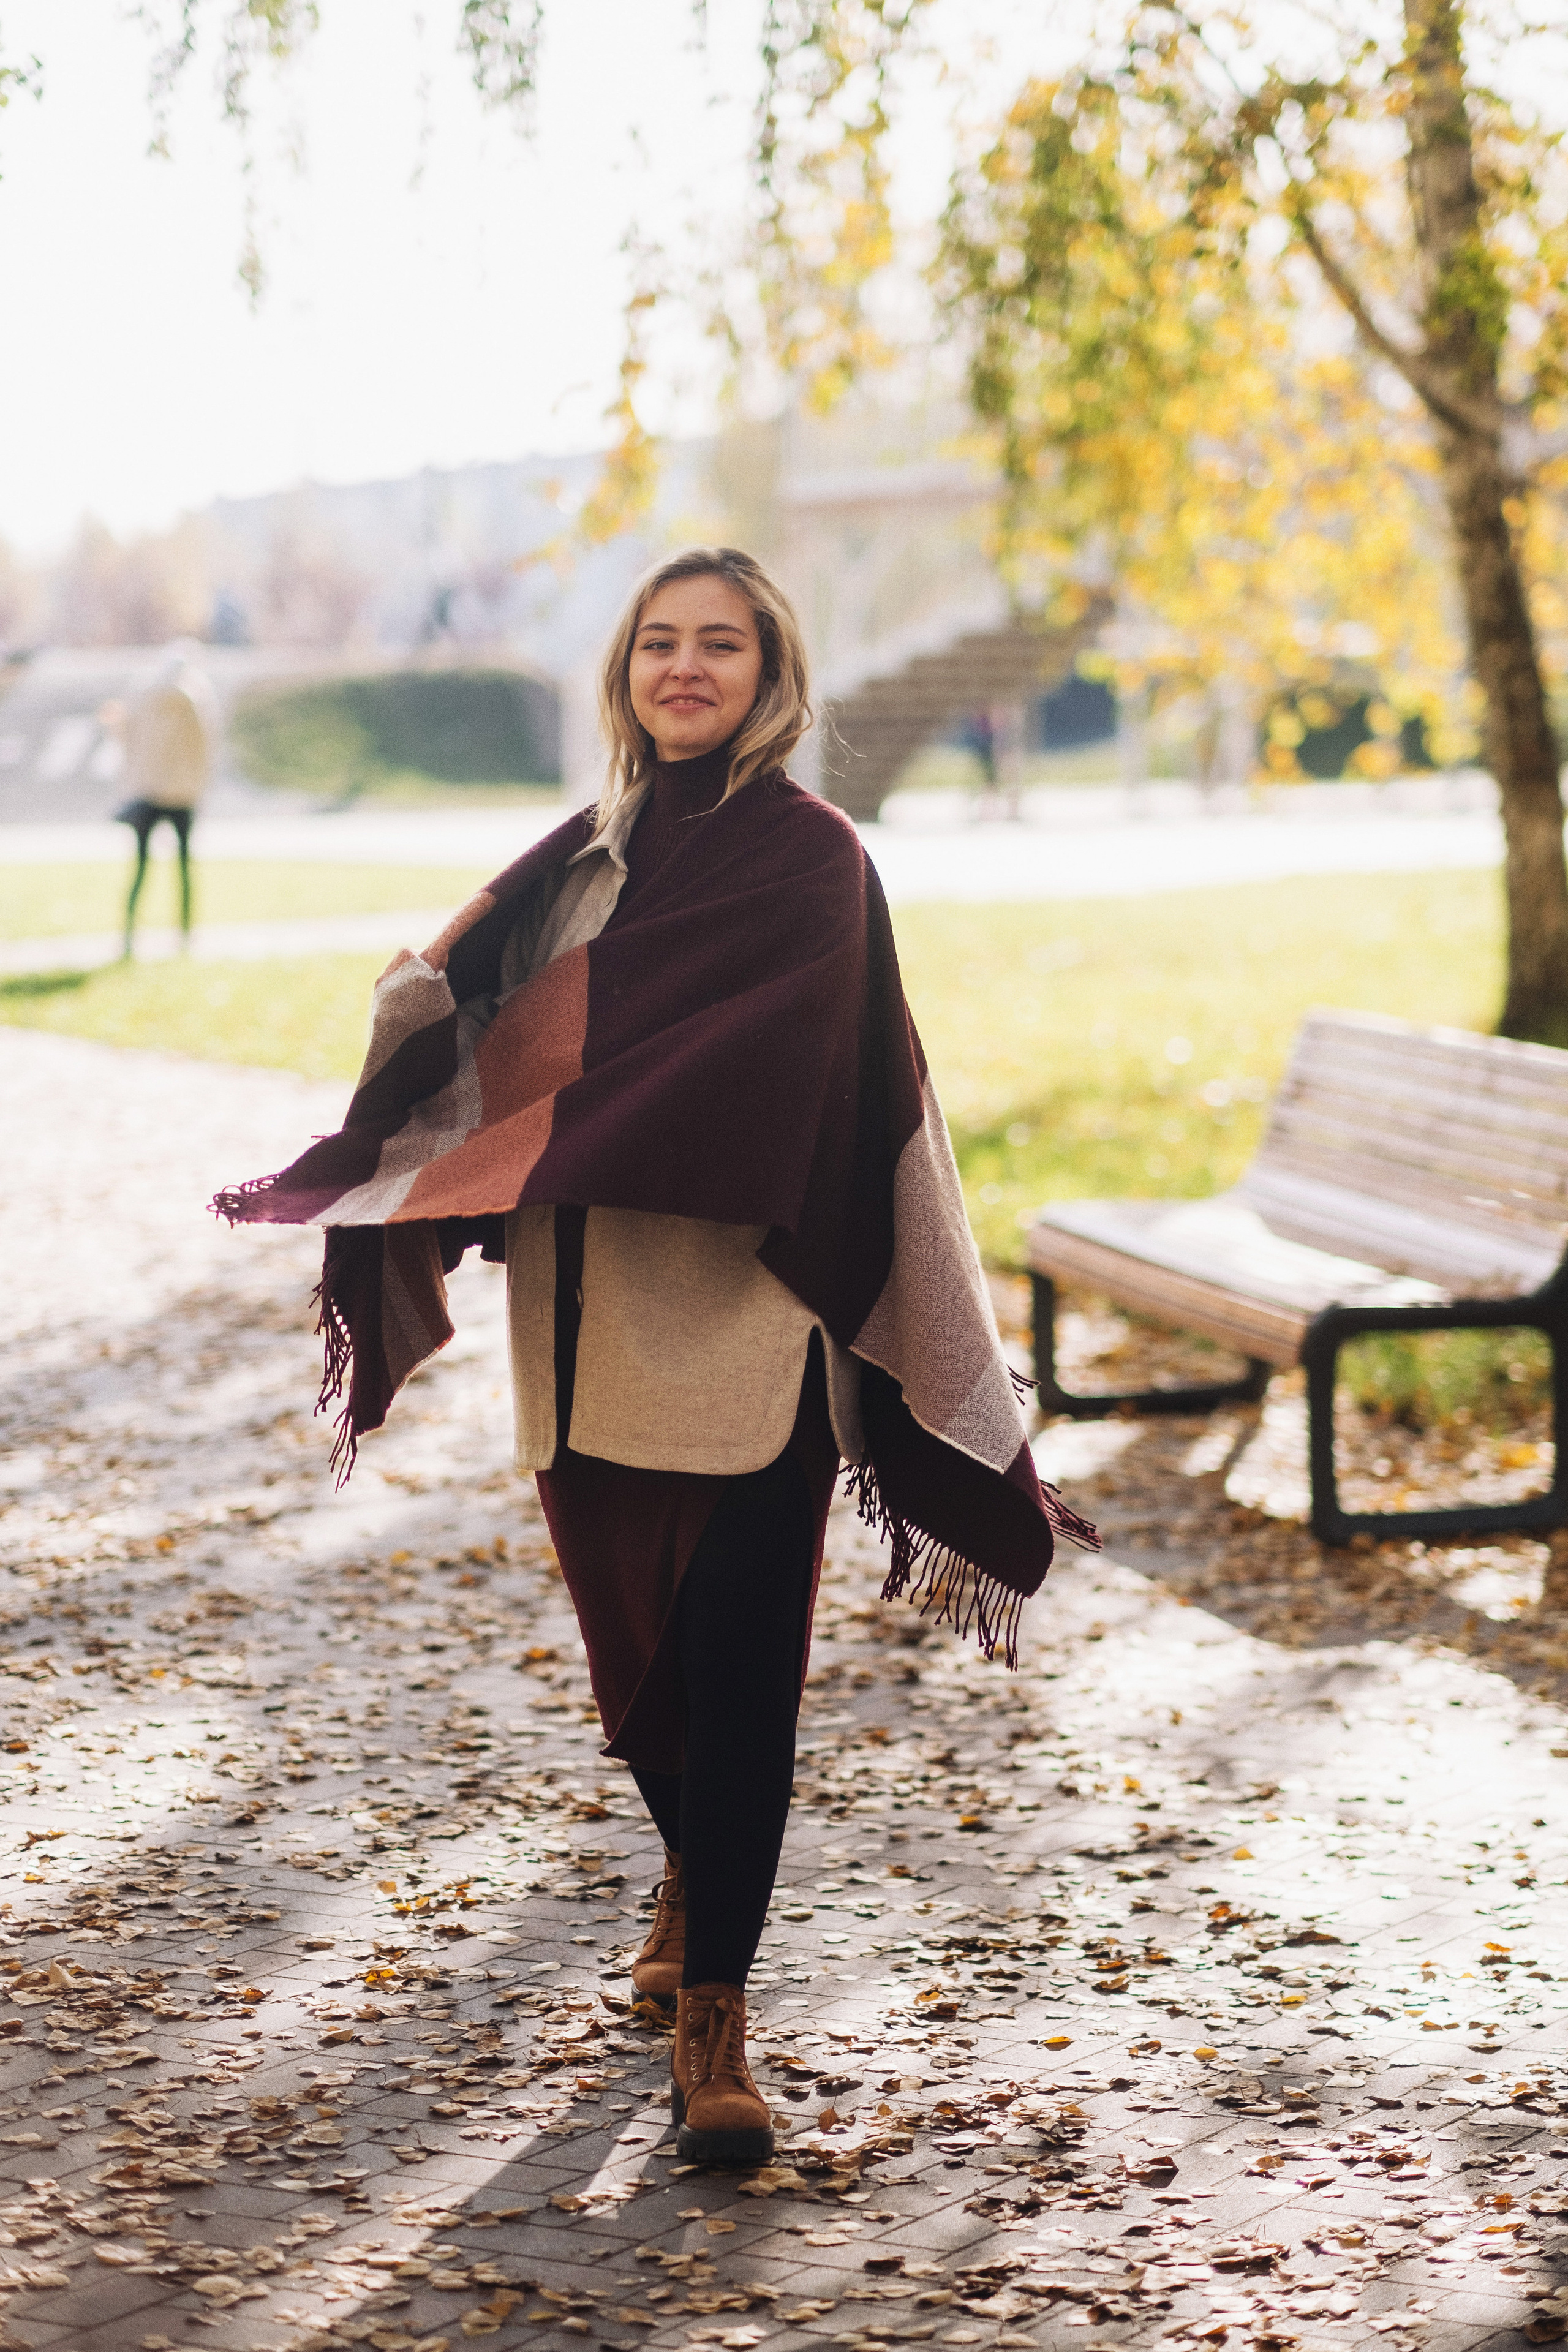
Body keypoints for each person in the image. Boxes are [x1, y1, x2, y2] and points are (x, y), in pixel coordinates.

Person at [214, 546, 1095, 2168]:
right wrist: (421, 1016)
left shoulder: (811, 864)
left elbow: (767, 1077)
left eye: (724, 646)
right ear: (627, 670)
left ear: (774, 675)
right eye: (662, 645)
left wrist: (598, 1075)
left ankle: (717, 2018)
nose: (688, 669)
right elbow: (498, 1038)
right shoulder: (582, 865)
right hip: (578, 1311)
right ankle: (692, 1874)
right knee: (638, 1671)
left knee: (745, 1672)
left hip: (742, 1322)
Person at [110, 643, 217, 957]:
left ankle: (129, 934)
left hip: (147, 791)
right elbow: (204, 747)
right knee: (184, 868)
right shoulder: (196, 697)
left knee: (140, 867)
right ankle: (185, 935)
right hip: (183, 794)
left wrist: (133, 783)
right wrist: (198, 787)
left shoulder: (142, 695)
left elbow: (127, 740)